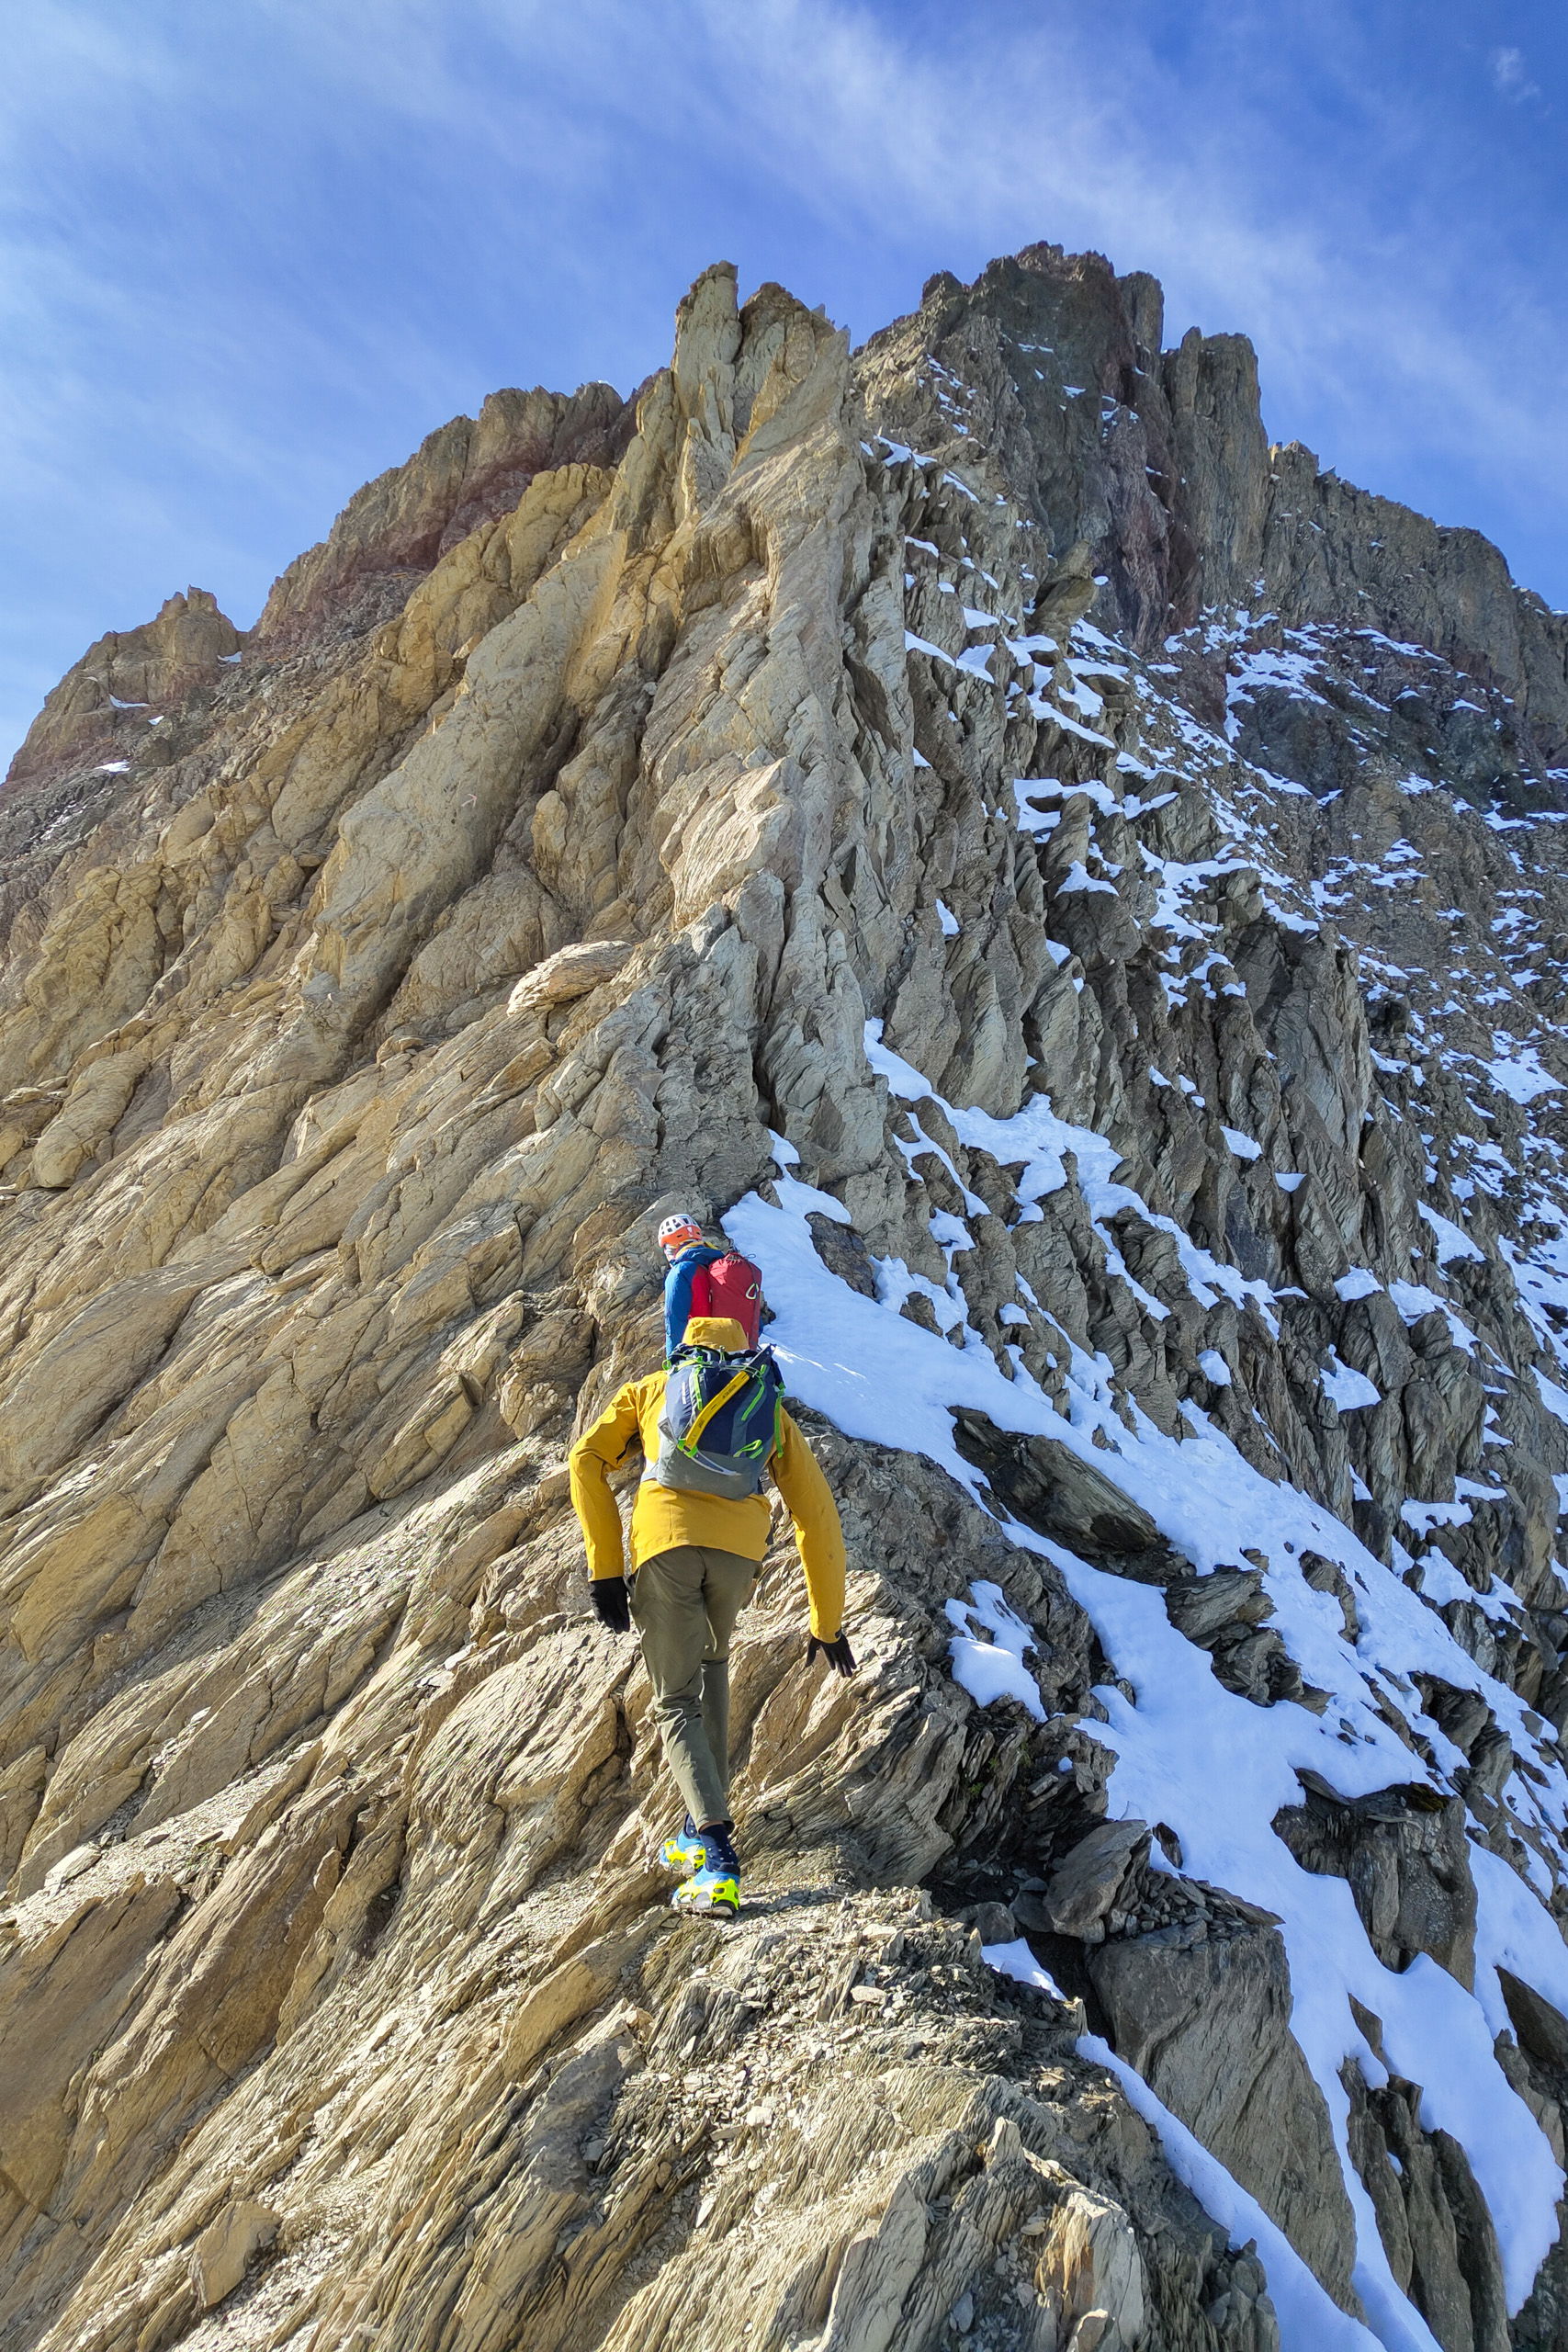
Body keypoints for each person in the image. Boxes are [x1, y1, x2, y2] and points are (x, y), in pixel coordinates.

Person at [568, 1312, 857, 1918]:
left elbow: (585, 1460)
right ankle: (695, 1832)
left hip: (665, 1549)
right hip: (736, 1558)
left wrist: (604, 1570)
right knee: (712, 1672)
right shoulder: (767, 1406)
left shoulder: (650, 1390)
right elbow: (816, 1517)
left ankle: (719, 1860)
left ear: (684, 1352)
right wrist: (825, 1620)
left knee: (675, 1700)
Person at [658, 1213, 724, 1362]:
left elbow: (674, 1320)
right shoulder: (720, 1266)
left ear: (672, 1247)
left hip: (701, 1357)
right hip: (739, 1354)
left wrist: (674, 1361)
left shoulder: (681, 1271)